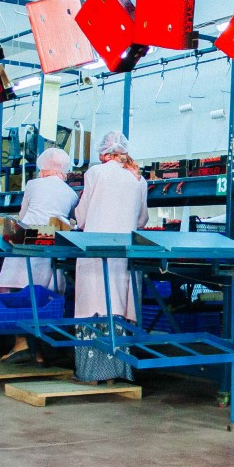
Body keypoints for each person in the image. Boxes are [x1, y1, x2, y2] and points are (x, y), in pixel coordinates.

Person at [73, 132, 148, 383]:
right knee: (117, 307)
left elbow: (81, 216)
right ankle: (117, 371)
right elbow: (142, 219)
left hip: (95, 253)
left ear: (104, 153)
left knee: (94, 306)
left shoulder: (95, 173)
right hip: (124, 256)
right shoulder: (137, 178)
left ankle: (91, 374)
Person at [0, 148, 79, 364]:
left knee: (18, 296)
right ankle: (41, 350)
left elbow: (22, 215)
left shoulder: (33, 185)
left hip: (26, 243)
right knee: (43, 300)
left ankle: (22, 344)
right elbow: (72, 221)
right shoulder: (71, 194)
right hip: (52, 249)